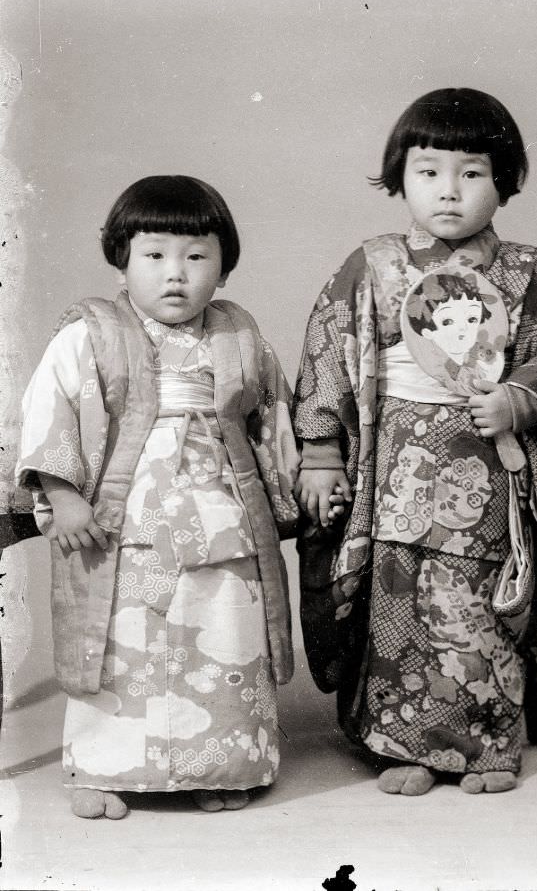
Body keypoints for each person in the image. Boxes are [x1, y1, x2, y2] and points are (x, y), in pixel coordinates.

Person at [293, 88, 537, 796]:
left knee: (483, 601)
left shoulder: (533, 274)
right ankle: (405, 742)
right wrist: (320, 453)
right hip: (394, 468)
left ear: (505, 180)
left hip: (487, 466)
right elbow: (326, 356)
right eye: (428, 170)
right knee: (398, 597)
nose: (449, 191)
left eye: (471, 173)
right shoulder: (372, 266)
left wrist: (517, 399)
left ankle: (487, 744)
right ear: (399, 177)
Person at [15, 175, 339, 819]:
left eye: (196, 257)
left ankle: (219, 765)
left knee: (223, 630)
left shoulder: (239, 334)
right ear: (121, 259)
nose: (176, 274)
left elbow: (273, 414)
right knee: (121, 642)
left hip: (222, 510)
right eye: (155, 254)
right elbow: (47, 410)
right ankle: (103, 771)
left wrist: (300, 478)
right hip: (124, 517)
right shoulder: (91, 332)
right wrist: (62, 493)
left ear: (222, 268)